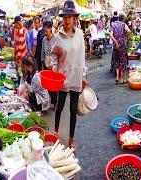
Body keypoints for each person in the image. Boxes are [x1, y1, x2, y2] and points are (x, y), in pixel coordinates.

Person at [51, 0, 88, 148]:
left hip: (77, 76)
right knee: (59, 106)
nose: (67, 20)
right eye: (64, 17)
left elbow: (82, 56)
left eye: (70, 17)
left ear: (74, 18)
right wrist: (54, 67)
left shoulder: (79, 34)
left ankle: (71, 140)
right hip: (63, 76)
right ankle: (55, 133)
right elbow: (53, 56)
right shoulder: (58, 37)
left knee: (73, 110)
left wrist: (84, 76)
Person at [109, 13, 131, 84]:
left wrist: (115, 41)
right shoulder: (124, 24)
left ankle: (117, 78)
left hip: (115, 45)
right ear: (123, 19)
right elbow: (129, 31)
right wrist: (124, 36)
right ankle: (121, 80)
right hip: (122, 44)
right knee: (122, 61)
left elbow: (110, 34)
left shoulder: (113, 24)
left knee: (117, 60)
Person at [42, 20, 58, 108]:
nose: (45, 32)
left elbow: (58, 52)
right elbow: (42, 53)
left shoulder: (55, 38)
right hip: (46, 64)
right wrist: (42, 64)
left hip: (54, 65)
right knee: (47, 85)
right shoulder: (44, 40)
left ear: (50, 29)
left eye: (46, 31)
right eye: (44, 30)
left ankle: (55, 102)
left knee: (54, 85)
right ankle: (48, 103)